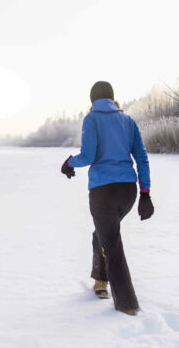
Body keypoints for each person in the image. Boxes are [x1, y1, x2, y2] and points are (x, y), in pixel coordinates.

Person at [61, 81, 153, 316]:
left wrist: (69, 162)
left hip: (103, 192)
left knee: (111, 245)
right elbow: (141, 158)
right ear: (113, 99)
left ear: (93, 100)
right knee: (101, 234)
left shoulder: (91, 119)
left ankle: (127, 305)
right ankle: (101, 283)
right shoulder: (128, 121)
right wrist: (145, 194)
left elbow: (88, 156)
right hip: (128, 192)